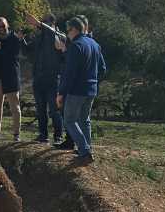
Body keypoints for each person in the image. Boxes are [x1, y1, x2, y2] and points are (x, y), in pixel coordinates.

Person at [57, 17, 106, 164]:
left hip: (76, 90)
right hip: (91, 89)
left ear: (74, 29)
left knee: (69, 120)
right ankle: (87, 148)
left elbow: (69, 73)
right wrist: (94, 81)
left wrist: (61, 93)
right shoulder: (95, 44)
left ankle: (84, 151)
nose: (67, 33)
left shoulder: (76, 46)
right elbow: (103, 69)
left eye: (68, 30)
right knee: (84, 120)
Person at [0, 16, 26, 141]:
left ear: (7, 25)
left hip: (11, 77)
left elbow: (13, 56)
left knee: (15, 107)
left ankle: (16, 134)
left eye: (3, 26)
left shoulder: (14, 38)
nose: (1, 28)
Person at [27, 13, 64, 144]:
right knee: (40, 109)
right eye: (41, 22)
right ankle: (43, 135)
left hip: (53, 79)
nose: (41, 24)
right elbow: (28, 53)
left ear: (53, 24)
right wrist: (20, 40)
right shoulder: (38, 38)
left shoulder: (59, 36)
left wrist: (38, 24)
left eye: (45, 22)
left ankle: (58, 136)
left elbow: (57, 37)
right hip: (38, 79)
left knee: (55, 110)